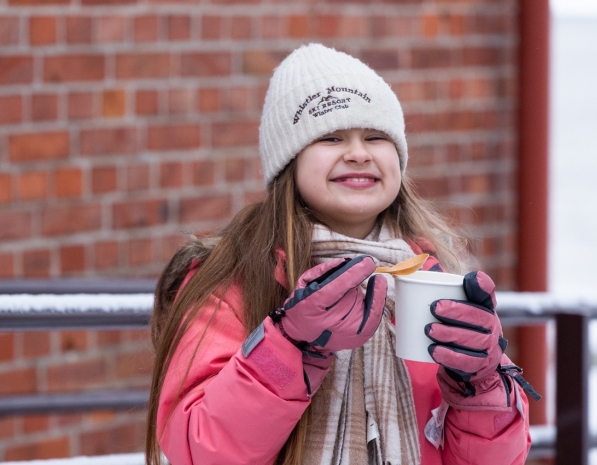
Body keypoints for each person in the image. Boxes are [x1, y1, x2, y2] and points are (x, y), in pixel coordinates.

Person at [145, 43, 538, 465]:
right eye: (330, 137)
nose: (358, 152)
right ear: (288, 163)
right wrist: (290, 346)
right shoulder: (231, 280)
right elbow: (200, 450)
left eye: (375, 136)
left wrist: (481, 387)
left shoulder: (430, 279)